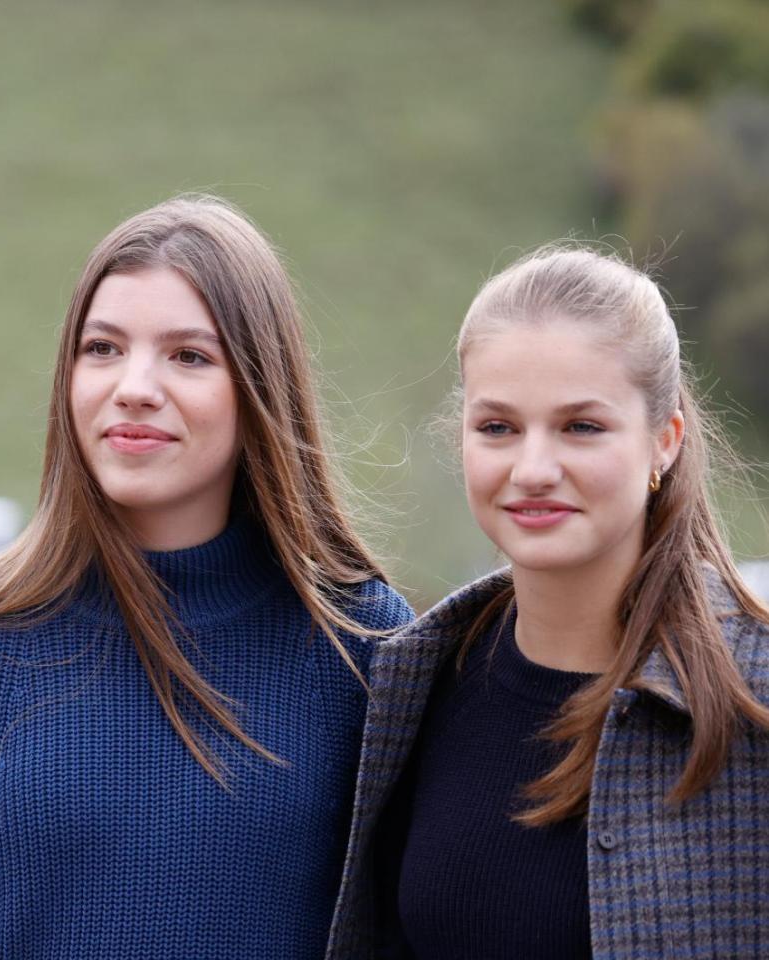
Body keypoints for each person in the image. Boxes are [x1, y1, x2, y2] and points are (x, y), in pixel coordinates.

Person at [0, 195, 415, 959]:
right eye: (103, 348)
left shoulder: (366, 644)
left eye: (188, 356)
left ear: (260, 386)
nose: (134, 386)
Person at [325, 246, 769, 959]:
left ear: (665, 442)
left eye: (580, 427)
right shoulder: (410, 683)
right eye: (498, 427)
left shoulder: (753, 693)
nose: (533, 469)